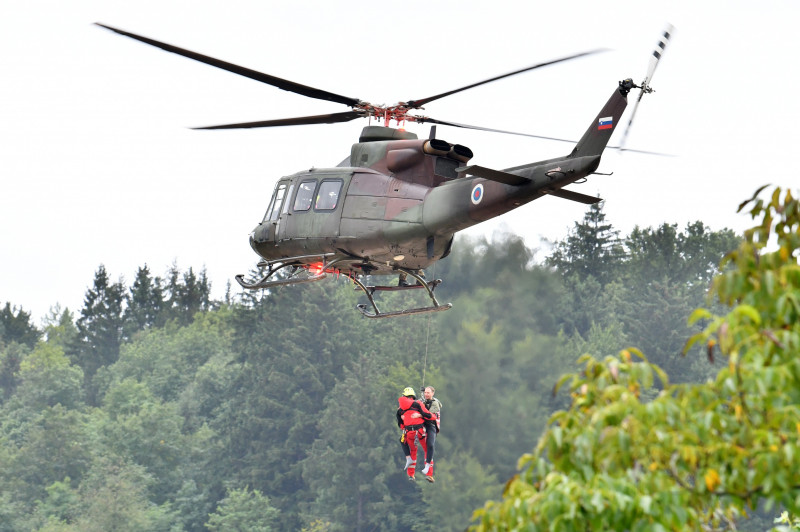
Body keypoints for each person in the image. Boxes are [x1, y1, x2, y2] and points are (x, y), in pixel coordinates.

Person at [396, 386, 432, 480]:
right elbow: (427, 415)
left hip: (409, 434)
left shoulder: (400, 409)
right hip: (420, 432)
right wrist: (433, 416)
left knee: (413, 451)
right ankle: (429, 473)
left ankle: (411, 475)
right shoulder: (418, 403)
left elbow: (400, 424)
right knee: (427, 450)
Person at [420, 385, 442, 482]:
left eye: (428, 393)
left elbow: (428, 414)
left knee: (430, 445)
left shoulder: (435, 404)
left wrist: (419, 412)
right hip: (421, 425)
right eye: (425, 393)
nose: (426, 394)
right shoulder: (422, 401)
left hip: (430, 426)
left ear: (432, 393)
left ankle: (428, 467)